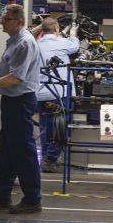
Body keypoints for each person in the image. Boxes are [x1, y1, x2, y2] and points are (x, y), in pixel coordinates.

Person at [0, 4, 44, 214]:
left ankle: (32, 199)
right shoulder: (14, 41)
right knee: (7, 149)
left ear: (19, 22)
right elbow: (7, 70)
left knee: (23, 151)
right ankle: (1, 195)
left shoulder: (24, 43)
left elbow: (15, 78)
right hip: (11, 102)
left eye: (6, 19)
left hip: (20, 102)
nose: (2, 22)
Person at [35, 17, 80, 173]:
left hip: (41, 93)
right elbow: (75, 46)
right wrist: (73, 33)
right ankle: (50, 158)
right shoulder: (62, 42)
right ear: (56, 29)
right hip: (59, 93)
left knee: (45, 127)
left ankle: (47, 158)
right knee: (60, 128)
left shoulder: (36, 45)